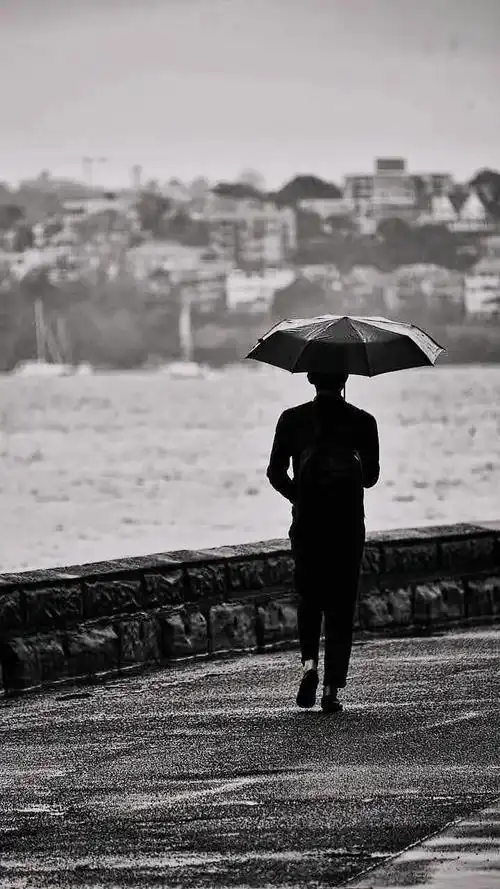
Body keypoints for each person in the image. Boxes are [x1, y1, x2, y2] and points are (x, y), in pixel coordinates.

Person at [266, 370, 380, 713]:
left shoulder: (292, 419)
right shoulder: (363, 421)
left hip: (308, 525)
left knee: (310, 597)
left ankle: (309, 666)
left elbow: (274, 473)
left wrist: (298, 498)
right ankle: (331, 691)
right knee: (341, 603)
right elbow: (371, 479)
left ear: (311, 380)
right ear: (345, 379)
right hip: (346, 526)